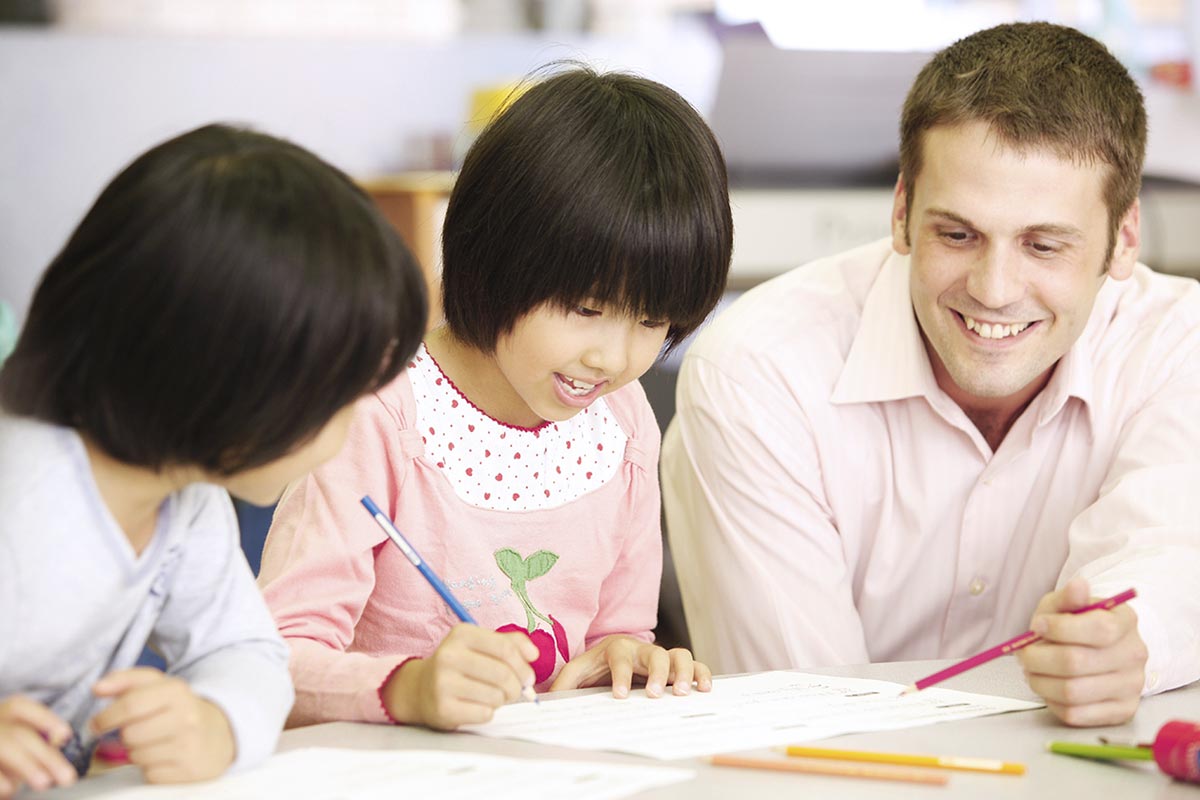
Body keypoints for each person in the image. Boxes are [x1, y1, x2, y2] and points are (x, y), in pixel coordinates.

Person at [663, 21, 1200, 728]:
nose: (996, 288)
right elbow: (805, 713)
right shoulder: (755, 375)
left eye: (1044, 245)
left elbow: (1169, 559)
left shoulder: (1175, 344)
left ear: (1123, 239)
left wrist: (1127, 648)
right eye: (957, 234)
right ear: (902, 211)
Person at [257, 66, 733, 731]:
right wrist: (407, 689)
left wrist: (623, 660)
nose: (615, 359)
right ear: (496, 253)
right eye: (586, 307)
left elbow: (616, 637)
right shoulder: (378, 412)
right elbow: (270, 661)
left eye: (653, 322)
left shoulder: (621, 425)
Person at [0, 124, 427, 797]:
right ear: (222, 374)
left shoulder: (186, 503)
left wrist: (216, 722)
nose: (346, 434)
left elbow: (246, 652)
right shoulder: (22, 494)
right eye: (340, 398)